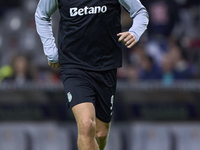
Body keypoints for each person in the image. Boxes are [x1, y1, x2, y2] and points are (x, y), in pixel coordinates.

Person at [35, 0, 149, 149]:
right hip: (74, 65)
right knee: (87, 125)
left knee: (100, 133)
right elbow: (41, 14)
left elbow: (140, 12)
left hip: (106, 65)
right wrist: (51, 51)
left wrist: (135, 32)